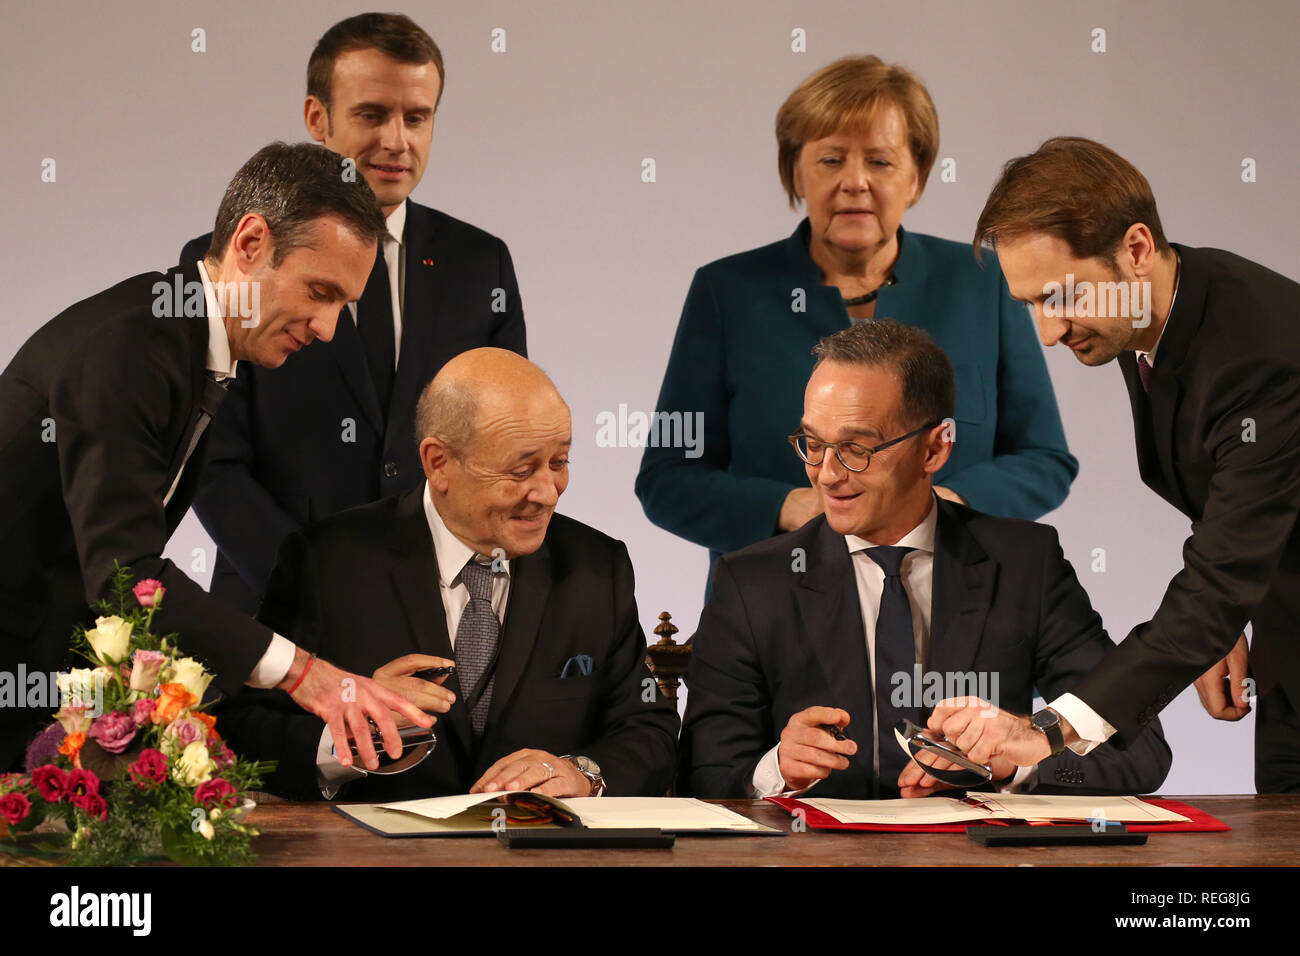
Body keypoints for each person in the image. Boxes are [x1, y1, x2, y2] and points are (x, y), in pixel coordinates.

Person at [0, 142, 432, 773]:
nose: (328, 328)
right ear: (251, 242)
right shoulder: (131, 347)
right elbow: (126, 579)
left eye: (344, 304)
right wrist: (307, 676)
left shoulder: (181, 345)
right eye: (320, 291)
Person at [932, 136, 1300, 793]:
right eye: (1030, 306)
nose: (1047, 332)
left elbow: (1219, 574)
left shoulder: (1264, 353)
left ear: (1134, 249)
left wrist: (1044, 731)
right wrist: (1223, 619)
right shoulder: (1147, 311)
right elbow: (1236, 501)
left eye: (1059, 297)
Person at [679, 320, 1170, 799]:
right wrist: (777, 769)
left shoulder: (1026, 565)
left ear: (935, 447)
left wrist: (1021, 758)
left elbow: (1140, 749)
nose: (826, 475)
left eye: (855, 448)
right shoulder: (751, 582)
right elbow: (704, 773)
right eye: (812, 444)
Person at [636, 55, 1076, 585]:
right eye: (830, 160)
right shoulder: (726, 291)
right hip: (776, 610)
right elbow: (667, 480)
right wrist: (793, 507)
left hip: (958, 603)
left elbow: (1044, 460)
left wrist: (946, 505)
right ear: (795, 173)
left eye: (880, 162)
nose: (855, 182)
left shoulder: (985, 279)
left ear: (916, 177)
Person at [215, 349, 680, 801]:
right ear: (439, 462)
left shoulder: (597, 566)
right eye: (520, 470)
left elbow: (648, 729)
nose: (548, 492)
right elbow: (245, 728)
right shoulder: (329, 560)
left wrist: (582, 774)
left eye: (559, 463)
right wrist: (351, 733)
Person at [180, 12, 527, 616]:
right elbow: (212, 463)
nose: (397, 140)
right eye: (372, 114)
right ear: (318, 119)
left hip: (439, 617)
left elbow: (500, 448)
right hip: (272, 618)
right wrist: (319, 588)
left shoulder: (482, 264)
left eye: (416, 117)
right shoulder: (231, 260)